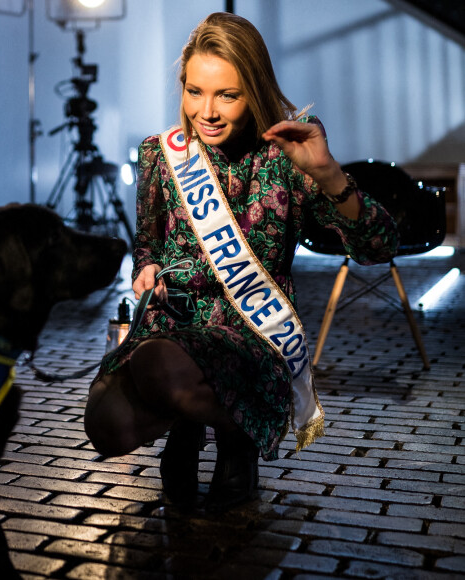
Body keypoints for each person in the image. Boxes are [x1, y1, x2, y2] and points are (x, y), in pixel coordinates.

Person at [84, 12, 398, 512]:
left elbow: (378, 248)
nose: (205, 111)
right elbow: (148, 241)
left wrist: (329, 173)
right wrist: (145, 268)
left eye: (226, 94)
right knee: (108, 424)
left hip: (252, 334)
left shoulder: (285, 156)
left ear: (254, 89)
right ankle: (192, 423)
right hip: (173, 326)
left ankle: (237, 439)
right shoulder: (160, 155)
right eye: (194, 91)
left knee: (162, 367)